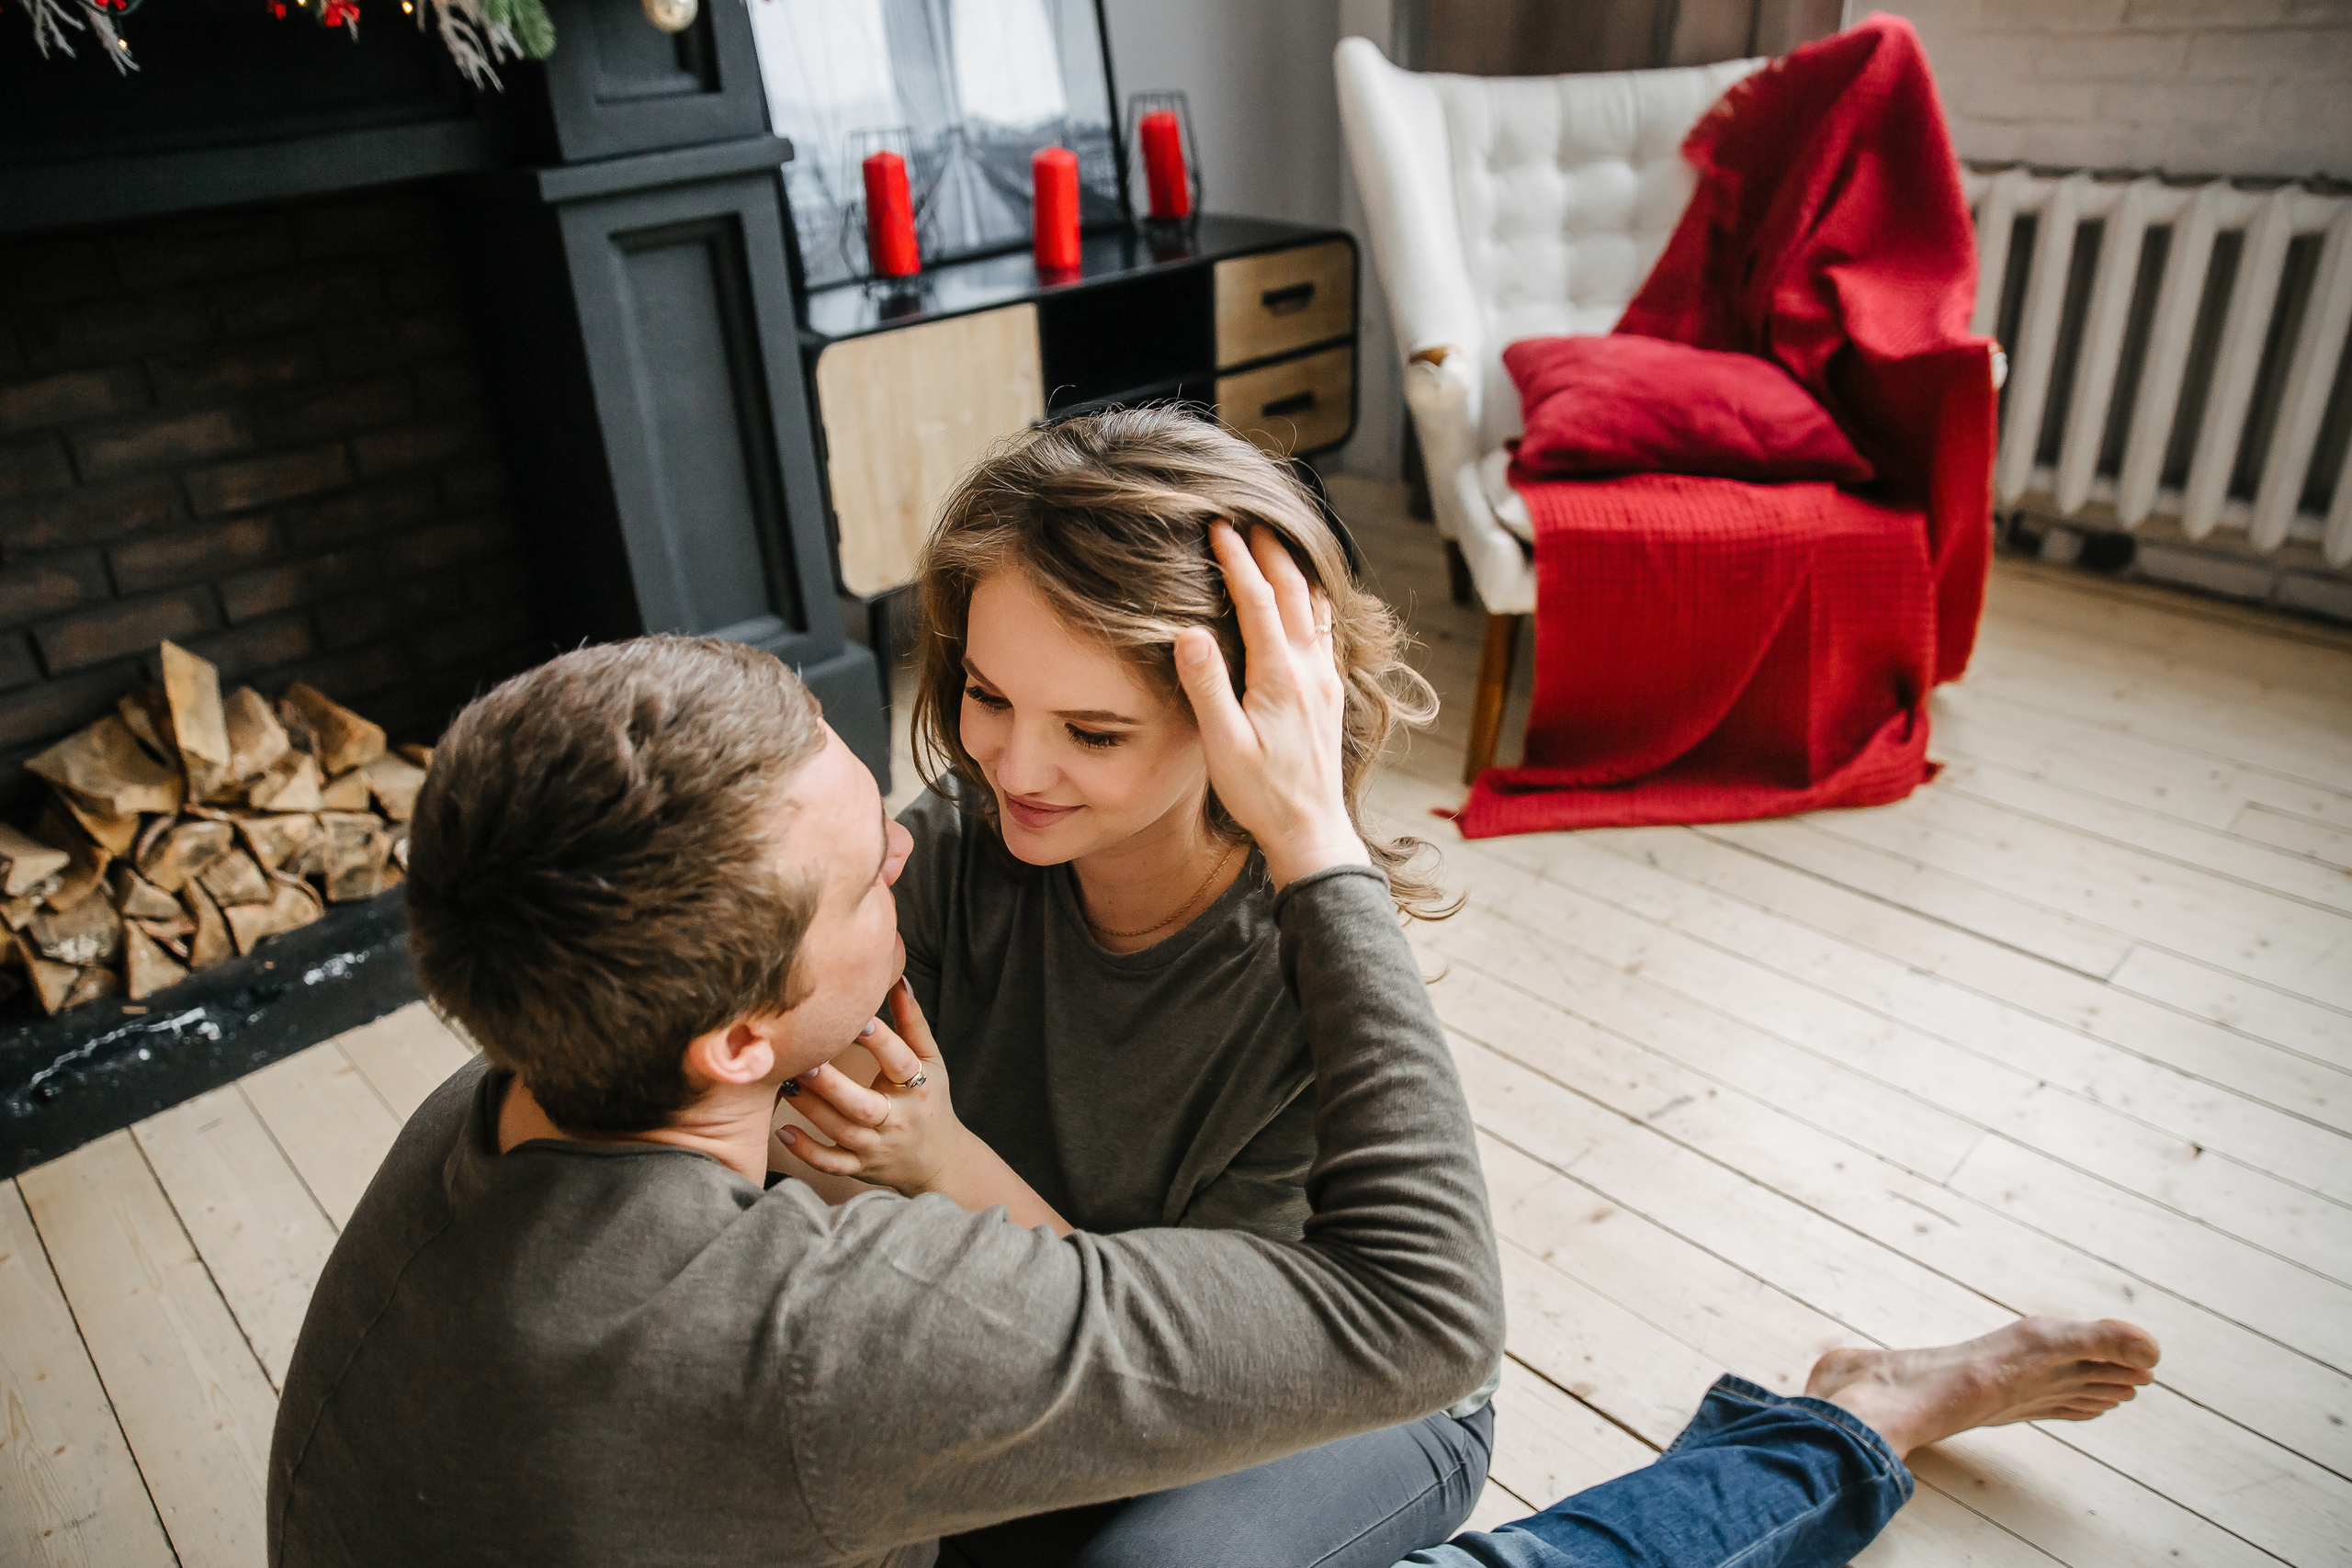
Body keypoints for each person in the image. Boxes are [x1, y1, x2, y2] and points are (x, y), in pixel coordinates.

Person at [267, 524, 1508, 1566]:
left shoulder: (481, 1107)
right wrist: (1316, 841)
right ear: (742, 1039)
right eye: (869, 879)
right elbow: (1421, 1311)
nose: (924, 839)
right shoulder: (830, 1338)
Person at [766, 410, 1498, 1568]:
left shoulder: (1306, 984)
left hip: (1329, 1406)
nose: (1015, 766)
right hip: (1046, 1332)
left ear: (1250, 719)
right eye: (989, 695)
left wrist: (937, 1161)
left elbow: (1188, 1372)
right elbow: (808, 1140)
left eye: (1094, 734)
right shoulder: (964, 842)